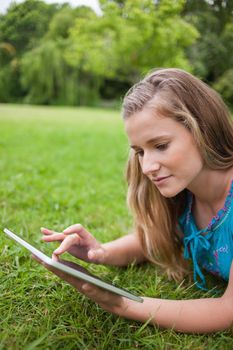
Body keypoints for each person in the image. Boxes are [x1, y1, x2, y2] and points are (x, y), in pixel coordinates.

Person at [35, 68, 233, 333]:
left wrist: (121, 303)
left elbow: (227, 311)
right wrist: (100, 252)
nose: (148, 166)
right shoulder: (185, 195)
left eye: (161, 145)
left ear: (202, 130)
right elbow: (152, 239)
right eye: (140, 151)